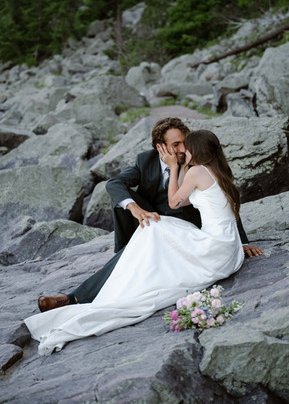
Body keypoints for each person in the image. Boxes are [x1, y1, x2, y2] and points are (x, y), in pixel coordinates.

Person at [25, 129, 261, 355]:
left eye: (185, 144)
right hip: (214, 243)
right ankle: (110, 272)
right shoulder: (208, 169)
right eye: (175, 145)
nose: (181, 149)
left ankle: (92, 289)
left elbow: (180, 203)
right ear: (161, 146)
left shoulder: (195, 171)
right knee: (152, 227)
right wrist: (134, 207)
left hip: (206, 241)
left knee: (154, 230)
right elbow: (114, 184)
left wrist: (242, 242)